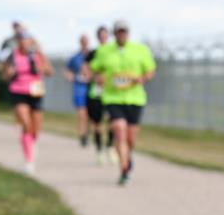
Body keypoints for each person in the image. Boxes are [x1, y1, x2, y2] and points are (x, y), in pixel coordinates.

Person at [89, 20, 157, 185]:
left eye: (124, 31)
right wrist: (98, 78)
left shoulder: (140, 50)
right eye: (119, 31)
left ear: (128, 32)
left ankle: (127, 156)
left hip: (135, 98)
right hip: (113, 98)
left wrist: (140, 78)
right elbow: (94, 69)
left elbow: (150, 70)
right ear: (114, 33)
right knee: (119, 131)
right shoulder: (105, 51)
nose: (122, 34)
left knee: (131, 138)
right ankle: (124, 168)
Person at [3, 32, 54, 174]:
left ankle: (31, 143)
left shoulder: (38, 55)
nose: (24, 43)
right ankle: (29, 160)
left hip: (36, 91)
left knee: (36, 128)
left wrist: (41, 69)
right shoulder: (12, 56)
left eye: (26, 40)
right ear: (18, 42)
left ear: (30, 42)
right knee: (26, 124)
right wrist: (10, 72)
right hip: (18, 91)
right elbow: (5, 75)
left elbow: (50, 71)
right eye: (21, 40)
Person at [82, 25, 114, 165]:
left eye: (105, 35)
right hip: (96, 92)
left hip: (113, 92)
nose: (103, 38)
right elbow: (85, 70)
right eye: (101, 35)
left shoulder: (114, 52)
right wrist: (95, 77)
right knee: (98, 122)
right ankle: (100, 150)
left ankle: (110, 147)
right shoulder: (93, 53)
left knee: (113, 121)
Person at [64, 34, 92, 146]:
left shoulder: (93, 55)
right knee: (81, 113)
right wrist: (70, 76)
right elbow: (67, 70)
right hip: (79, 88)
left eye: (86, 41)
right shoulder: (75, 57)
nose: (84, 43)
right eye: (83, 41)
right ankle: (82, 135)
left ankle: (86, 132)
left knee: (89, 114)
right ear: (80, 42)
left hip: (91, 88)